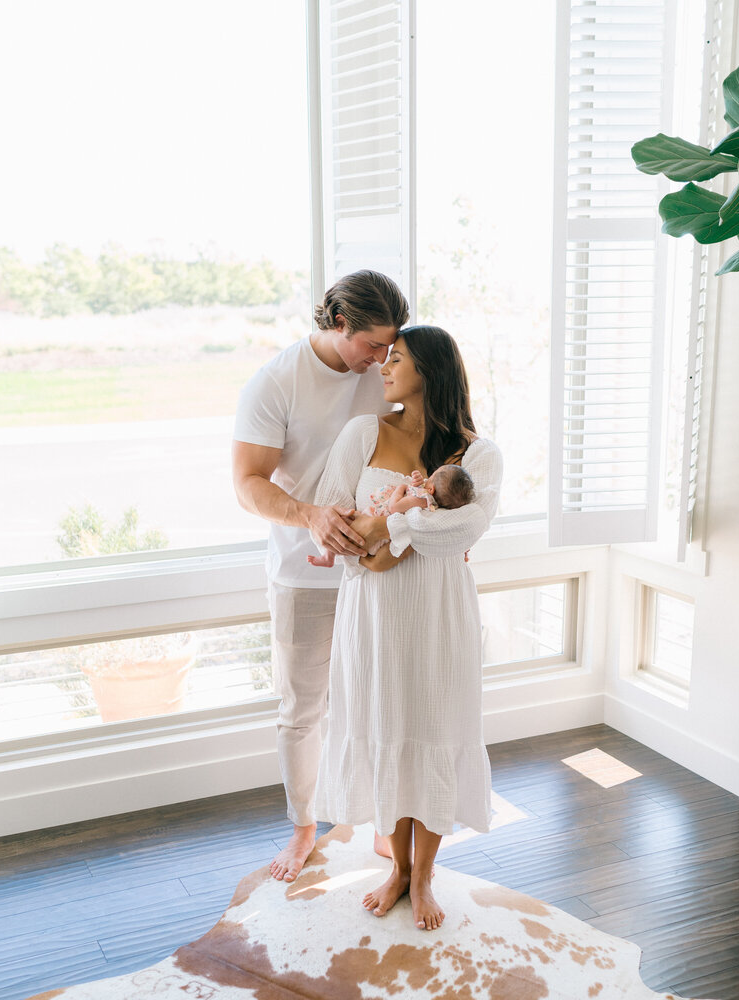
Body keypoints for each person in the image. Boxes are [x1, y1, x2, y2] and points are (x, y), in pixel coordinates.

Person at [311, 326, 503, 930]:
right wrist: (398, 525)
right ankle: (396, 869)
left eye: (396, 358)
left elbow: (462, 534)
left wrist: (387, 530)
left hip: (440, 619)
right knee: (384, 730)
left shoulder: (479, 455)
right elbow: (333, 521)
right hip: (372, 620)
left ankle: (424, 877)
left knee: (437, 733)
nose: (383, 367)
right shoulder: (362, 433)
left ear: (432, 369)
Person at [231, 270, 409, 883]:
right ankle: (306, 825)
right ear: (339, 325)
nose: (383, 359)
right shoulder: (276, 381)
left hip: (380, 567)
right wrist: (307, 514)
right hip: (302, 574)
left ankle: (385, 819)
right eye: (372, 345)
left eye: (391, 346)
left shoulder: (388, 373)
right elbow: (247, 484)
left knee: (382, 700)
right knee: (304, 707)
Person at [306, 464, 475, 567]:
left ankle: (328, 557)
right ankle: (329, 556)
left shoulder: (420, 499)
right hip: (380, 529)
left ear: (431, 489)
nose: (425, 479)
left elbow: (395, 507)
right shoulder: (431, 505)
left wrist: (401, 488)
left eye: (430, 478)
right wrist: (416, 481)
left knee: (342, 523)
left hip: (377, 524)